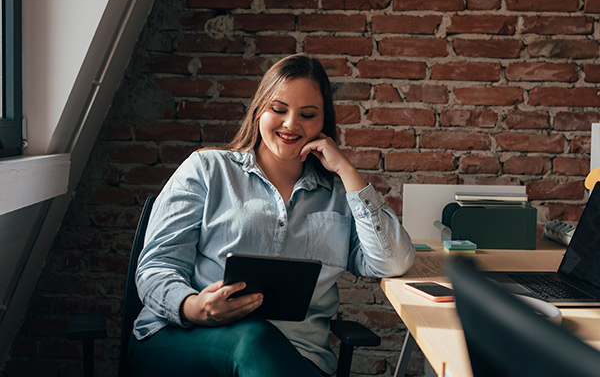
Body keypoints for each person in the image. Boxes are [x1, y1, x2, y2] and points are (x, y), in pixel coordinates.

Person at [128, 54, 415, 376]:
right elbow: (157, 267)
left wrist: (348, 171)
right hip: (185, 338)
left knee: (263, 345)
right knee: (254, 337)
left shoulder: (339, 194)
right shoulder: (207, 170)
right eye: (278, 109)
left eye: (307, 115)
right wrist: (194, 307)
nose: (291, 124)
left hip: (299, 356)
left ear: (323, 124)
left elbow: (392, 262)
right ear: (259, 110)